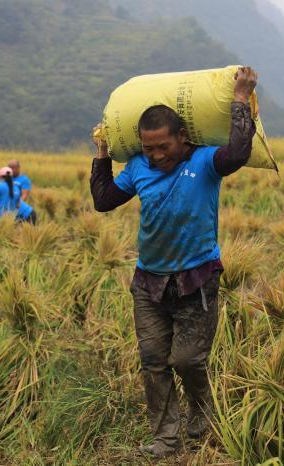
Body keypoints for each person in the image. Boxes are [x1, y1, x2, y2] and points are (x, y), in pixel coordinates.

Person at [90, 67, 258, 459]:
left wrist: (239, 101)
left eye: (163, 146)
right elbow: (103, 201)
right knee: (153, 362)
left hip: (196, 280)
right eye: (149, 148)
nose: (157, 155)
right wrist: (102, 155)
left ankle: (202, 417)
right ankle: (166, 440)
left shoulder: (205, 162)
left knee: (187, 360)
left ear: (182, 137)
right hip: (148, 283)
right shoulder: (138, 169)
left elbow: (238, 153)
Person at [8, 159, 37, 224]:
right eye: (9, 168)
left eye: (13, 168)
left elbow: (25, 194)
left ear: (18, 168)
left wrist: (18, 204)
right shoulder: (7, 179)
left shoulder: (24, 179)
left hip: (20, 209)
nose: (11, 170)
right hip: (10, 209)